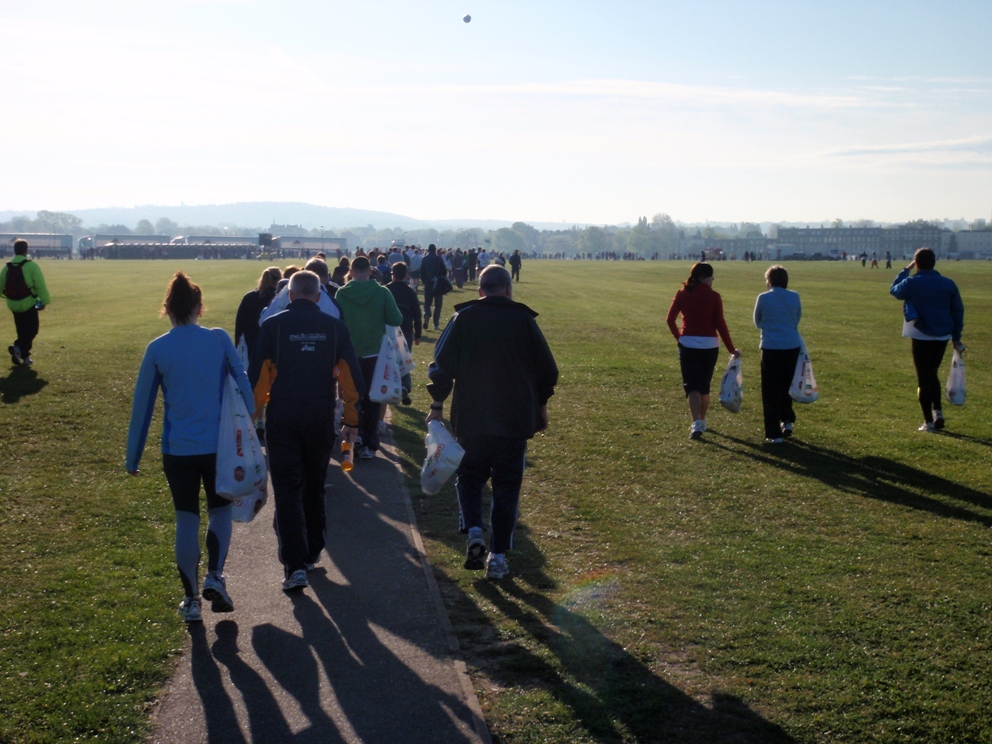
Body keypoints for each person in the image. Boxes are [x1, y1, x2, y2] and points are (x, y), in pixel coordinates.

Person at [126, 272, 253, 623]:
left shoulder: (157, 348)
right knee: (220, 511)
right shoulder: (218, 339)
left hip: (177, 448)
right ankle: (215, 575)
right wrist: (251, 427)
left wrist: (132, 456)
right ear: (200, 308)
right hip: (219, 448)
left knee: (186, 517)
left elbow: (143, 407)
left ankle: (191, 599)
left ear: (166, 309)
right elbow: (244, 386)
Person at [426, 265, 559, 580]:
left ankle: (474, 528)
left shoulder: (464, 319)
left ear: (480, 290)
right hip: (515, 418)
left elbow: (441, 367)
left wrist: (436, 406)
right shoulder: (524, 321)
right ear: (508, 289)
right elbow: (548, 371)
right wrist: (541, 407)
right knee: (507, 487)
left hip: (471, 416)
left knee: (470, 477)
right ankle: (497, 556)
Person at [249, 270, 362, 591]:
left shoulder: (272, 326)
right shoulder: (335, 327)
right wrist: (351, 421)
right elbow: (350, 379)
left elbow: (258, 381)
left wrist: (248, 420)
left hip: (282, 417)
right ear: (318, 296)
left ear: (290, 295)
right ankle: (311, 551)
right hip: (319, 417)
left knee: (287, 491)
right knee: (314, 485)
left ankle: (294, 565)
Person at [334, 256, 403, 459]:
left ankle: (355, 438)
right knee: (373, 400)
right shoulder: (382, 292)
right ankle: (370, 445)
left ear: (351, 272)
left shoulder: (342, 293)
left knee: (352, 398)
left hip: (350, 354)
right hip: (376, 354)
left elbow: (338, 320)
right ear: (370, 271)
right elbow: (396, 318)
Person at [890, 248, 965, 432]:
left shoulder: (913, 283)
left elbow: (894, 290)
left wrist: (906, 269)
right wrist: (956, 337)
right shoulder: (948, 284)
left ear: (917, 263)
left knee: (924, 378)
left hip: (921, 334)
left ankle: (929, 422)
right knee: (932, 373)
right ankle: (937, 412)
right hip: (943, 335)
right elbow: (957, 311)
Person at [665, 263, 741, 440]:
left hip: (688, 344)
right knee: (704, 387)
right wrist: (731, 348)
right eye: (710, 276)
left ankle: (696, 422)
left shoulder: (682, 294)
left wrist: (680, 338)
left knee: (692, 386)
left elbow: (670, 320)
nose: (712, 279)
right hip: (710, 345)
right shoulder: (714, 296)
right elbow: (720, 324)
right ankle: (702, 419)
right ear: (702, 277)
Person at [753, 265, 803, 444]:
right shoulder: (794, 296)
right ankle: (787, 420)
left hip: (771, 347)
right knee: (787, 385)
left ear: (769, 281)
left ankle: (774, 433)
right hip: (791, 346)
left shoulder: (763, 298)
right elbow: (797, 318)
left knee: (770, 390)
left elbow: (757, 322)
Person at [1, 239, 51, 366]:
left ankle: (24, 357)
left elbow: (1, 286)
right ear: (26, 250)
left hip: (13, 303)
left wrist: (6, 296)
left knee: (21, 330)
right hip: (28, 303)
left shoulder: (7, 267)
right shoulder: (31, 266)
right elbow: (40, 285)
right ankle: (18, 347)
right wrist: (44, 301)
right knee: (32, 330)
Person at [386, 262, 422, 405]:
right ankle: (404, 386)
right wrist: (418, 334)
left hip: (388, 330)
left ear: (392, 274)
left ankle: (390, 387)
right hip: (406, 330)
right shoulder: (410, 292)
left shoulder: (386, 290)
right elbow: (417, 315)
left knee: (389, 360)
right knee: (404, 359)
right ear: (406, 275)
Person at [420, 244, 447, 331]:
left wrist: (424, 281)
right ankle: (436, 324)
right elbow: (444, 271)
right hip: (437, 284)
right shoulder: (438, 259)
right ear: (435, 250)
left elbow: (421, 272)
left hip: (428, 283)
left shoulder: (424, 259)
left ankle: (427, 314)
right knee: (438, 305)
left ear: (428, 250)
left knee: (427, 303)